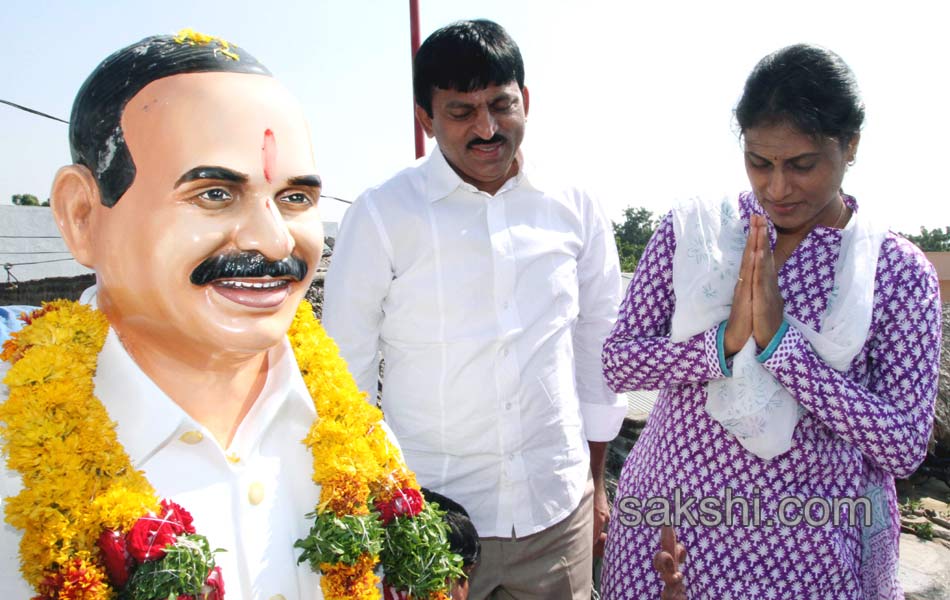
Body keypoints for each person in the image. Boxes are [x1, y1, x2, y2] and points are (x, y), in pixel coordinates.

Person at [0, 31, 449, 600]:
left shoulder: (362, 441)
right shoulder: (17, 469)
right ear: (83, 215)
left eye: (295, 199)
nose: (273, 239)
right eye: (214, 193)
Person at [599, 44, 941, 599]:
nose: (777, 189)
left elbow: (903, 443)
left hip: (801, 552)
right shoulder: (700, 234)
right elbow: (619, 363)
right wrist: (722, 345)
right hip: (668, 531)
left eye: (801, 165)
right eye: (760, 163)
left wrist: (784, 347)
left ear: (850, 145)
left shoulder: (895, 273)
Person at [323, 19, 625, 600]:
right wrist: (374, 511)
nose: (487, 128)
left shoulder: (575, 208)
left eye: (500, 105)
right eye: (461, 112)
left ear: (526, 100)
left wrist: (595, 481)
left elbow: (597, 350)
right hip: (429, 521)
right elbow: (347, 374)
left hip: (556, 515)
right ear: (425, 118)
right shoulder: (384, 215)